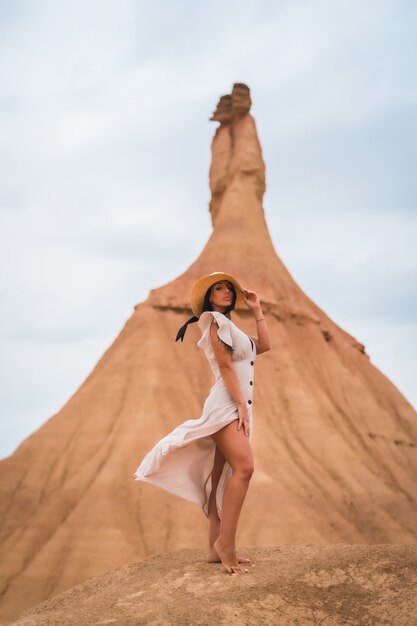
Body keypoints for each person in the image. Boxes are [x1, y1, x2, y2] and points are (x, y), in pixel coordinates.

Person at [134, 271, 271, 574]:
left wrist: (258, 309)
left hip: (234, 405)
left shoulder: (231, 327)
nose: (226, 292)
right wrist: (239, 406)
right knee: (245, 468)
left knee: (220, 476)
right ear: (209, 297)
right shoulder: (214, 322)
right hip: (226, 406)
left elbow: (264, 346)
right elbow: (225, 367)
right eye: (219, 289)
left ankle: (213, 547)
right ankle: (227, 546)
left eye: (228, 289)